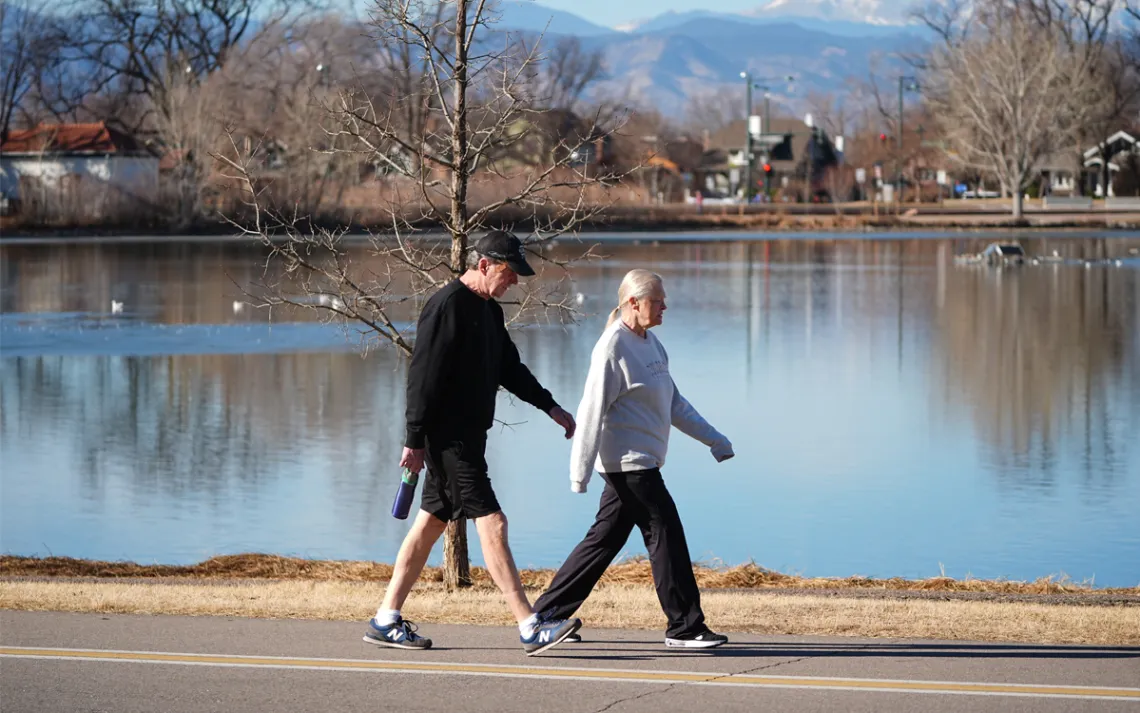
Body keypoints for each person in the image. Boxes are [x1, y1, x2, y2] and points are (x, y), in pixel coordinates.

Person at [363, 230, 582, 656]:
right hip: (449, 439)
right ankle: (529, 625)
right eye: (509, 272)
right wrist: (414, 440)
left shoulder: (489, 312)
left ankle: (385, 619)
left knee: (429, 524)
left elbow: (510, 369)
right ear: (484, 265)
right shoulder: (446, 307)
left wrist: (551, 407)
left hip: (469, 437)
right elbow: (421, 378)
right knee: (493, 522)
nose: (515, 281)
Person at [533, 268, 734, 649]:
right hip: (628, 464)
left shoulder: (652, 345)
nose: (665, 307)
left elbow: (674, 403)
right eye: (658, 301)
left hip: (642, 463)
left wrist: (715, 439)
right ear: (633, 303)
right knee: (666, 534)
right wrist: (579, 473)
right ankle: (685, 627)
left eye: (663, 300)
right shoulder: (612, 347)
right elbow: (591, 409)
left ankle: (546, 615)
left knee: (602, 542)